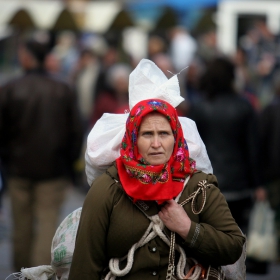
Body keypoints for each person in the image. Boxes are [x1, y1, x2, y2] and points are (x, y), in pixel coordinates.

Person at [69, 59, 245, 280]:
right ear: (132, 139)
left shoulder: (198, 186)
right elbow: (85, 268)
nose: (156, 144)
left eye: (163, 134)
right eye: (146, 134)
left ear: (176, 138)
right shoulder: (108, 189)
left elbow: (233, 245)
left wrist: (187, 228)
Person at [0, 39, 84, 271]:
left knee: (21, 230)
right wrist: (69, 166)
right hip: (53, 171)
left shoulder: (9, 88)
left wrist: (7, 162)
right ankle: (38, 276)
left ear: (27, 56)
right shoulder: (63, 88)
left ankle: (20, 274)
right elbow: (76, 131)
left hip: (18, 171)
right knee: (47, 227)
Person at [187, 57, 260, 235]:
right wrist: (258, 184)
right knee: (237, 236)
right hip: (239, 184)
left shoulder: (198, 108)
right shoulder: (243, 107)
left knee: (209, 236)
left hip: (205, 182)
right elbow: (253, 149)